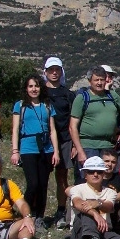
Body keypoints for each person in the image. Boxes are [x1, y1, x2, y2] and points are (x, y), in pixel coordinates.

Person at [10, 74, 60, 230]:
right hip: (28, 147)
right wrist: (15, 151)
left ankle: (39, 216)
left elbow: (52, 130)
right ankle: (25, 214)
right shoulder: (20, 105)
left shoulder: (47, 105)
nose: (34, 89)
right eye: (31, 86)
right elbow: (15, 129)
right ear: (26, 88)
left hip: (46, 148)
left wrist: (56, 151)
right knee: (33, 183)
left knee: (43, 185)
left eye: (37, 86)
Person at [69, 66, 120, 180]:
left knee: (108, 182)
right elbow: (72, 127)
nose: (99, 83)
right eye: (96, 80)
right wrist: (80, 151)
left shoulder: (113, 96)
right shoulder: (82, 98)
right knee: (87, 181)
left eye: (102, 79)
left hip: (108, 146)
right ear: (90, 81)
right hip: (88, 147)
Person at [43, 57, 77, 228]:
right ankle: (37, 212)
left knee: (61, 176)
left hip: (64, 139)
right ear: (46, 72)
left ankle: (61, 209)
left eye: (57, 69)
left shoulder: (68, 94)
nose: (54, 72)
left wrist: (72, 143)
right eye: (51, 70)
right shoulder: (40, 92)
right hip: (43, 140)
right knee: (41, 177)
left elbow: (73, 118)